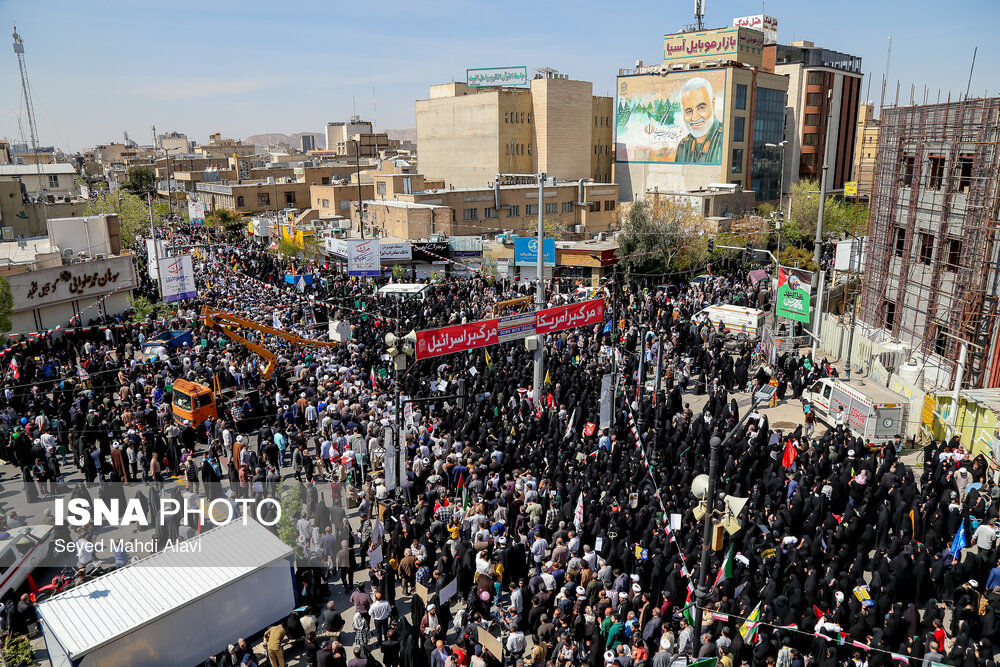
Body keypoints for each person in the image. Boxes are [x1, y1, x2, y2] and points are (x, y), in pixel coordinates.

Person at [672, 77, 723, 164]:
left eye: (701, 108)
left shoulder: (723, 140)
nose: (695, 118)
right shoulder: (684, 146)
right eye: (688, 111)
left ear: (712, 104)